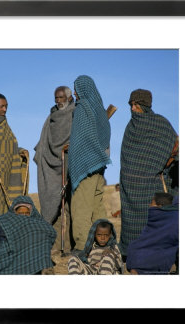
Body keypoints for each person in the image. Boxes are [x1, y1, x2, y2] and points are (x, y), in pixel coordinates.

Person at [119, 89, 179, 259]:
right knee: (131, 226)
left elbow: (176, 147)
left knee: (152, 221)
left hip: (152, 184)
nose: (132, 109)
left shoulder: (161, 124)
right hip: (130, 186)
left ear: (145, 105)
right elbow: (126, 156)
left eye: (136, 105)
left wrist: (166, 164)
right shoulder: (130, 127)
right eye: (131, 105)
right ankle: (130, 253)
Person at [68, 75, 112, 252]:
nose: (74, 93)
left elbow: (80, 139)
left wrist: (73, 151)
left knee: (81, 208)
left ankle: (82, 247)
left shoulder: (82, 108)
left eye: (76, 89)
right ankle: (105, 245)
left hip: (85, 167)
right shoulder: (99, 109)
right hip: (98, 166)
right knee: (97, 207)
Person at [33, 86, 76, 253]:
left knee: (70, 206)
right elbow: (43, 141)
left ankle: (70, 245)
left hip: (70, 163)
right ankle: (56, 246)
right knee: (55, 206)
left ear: (69, 98)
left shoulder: (75, 114)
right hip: (52, 166)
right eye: (56, 98)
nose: (58, 101)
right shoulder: (51, 117)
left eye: (61, 97)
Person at [0, 196, 56, 275]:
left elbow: (50, 231)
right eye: (20, 213)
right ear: (14, 212)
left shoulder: (37, 224)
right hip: (10, 258)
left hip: (32, 258)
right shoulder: (3, 222)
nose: (23, 216)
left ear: (32, 212)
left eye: (26, 213)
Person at [126, 193, 179, 275]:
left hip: (161, 255)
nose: (149, 205)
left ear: (159, 206)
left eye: (152, 203)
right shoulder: (158, 220)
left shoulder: (173, 220)